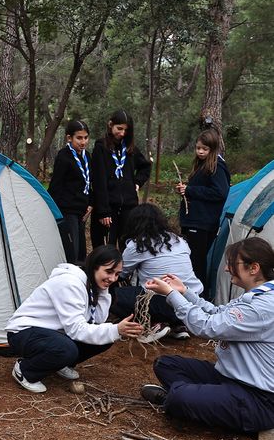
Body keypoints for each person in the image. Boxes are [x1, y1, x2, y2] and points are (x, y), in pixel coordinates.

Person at [140, 237, 274, 434]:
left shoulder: (262, 307)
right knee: (166, 365)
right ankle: (202, 402)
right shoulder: (257, 294)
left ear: (253, 268)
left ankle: (180, 401)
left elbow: (207, 326)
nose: (227, 269)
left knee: (180, 397)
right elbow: (217, 312)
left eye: (232, 263)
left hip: (257, 398)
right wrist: (184, 292)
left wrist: (171, 295)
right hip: (229, 377)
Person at [5, 245, 143, 393]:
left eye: (117, 274)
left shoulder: (91, 283)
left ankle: (61, 363)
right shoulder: (70, 283)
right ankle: (25, 370)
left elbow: (98, 319)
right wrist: (115, 329)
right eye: (109, 271)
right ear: (94, 266)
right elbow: (76, 330)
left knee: (106, 336)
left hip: (53, 332)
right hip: (22, 332)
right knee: (67, 349)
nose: (113, 278)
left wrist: (103, 291)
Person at [112, 204, 204, 340]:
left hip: (165, 303)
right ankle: (178, 325)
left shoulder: (138, 245)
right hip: (194, 300)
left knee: (113, 297)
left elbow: (120, 273)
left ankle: (153, 324)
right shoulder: (179, 240)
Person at [175, 129, 230, 301]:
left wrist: (191, 190)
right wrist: (185, 191)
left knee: (197, 263)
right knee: (193, 261)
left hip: (202, 223)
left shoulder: (217, 166)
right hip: (193, 221)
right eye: (198, 148)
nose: (200, 152)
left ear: (212, 149)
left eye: (204, 149)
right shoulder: (201, 164)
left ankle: (200, 299)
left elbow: (220, 193)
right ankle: (193, 297)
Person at [90, 110, 151, 249]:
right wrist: (103, 211)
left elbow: (145, 167)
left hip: (128, 208)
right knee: (107, 250)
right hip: (108, 209)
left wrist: (137, 182)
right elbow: (99, 182)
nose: (122, 133)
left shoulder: (130, 149)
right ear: (110, 125)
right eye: (119, 128)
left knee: (128, 247)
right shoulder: (101, 148)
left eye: (126, 130)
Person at [49, 120, 93, 264]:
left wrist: (90, 203)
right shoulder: (63, 156)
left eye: (86, 137)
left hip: (82, 210)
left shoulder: (87, 156)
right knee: (72, 250)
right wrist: (54, 211)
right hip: (67, 210)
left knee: (81, 250)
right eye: (79, 138)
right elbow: (56, 186)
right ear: (69, 138)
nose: (83, 142)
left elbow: (89, 182)